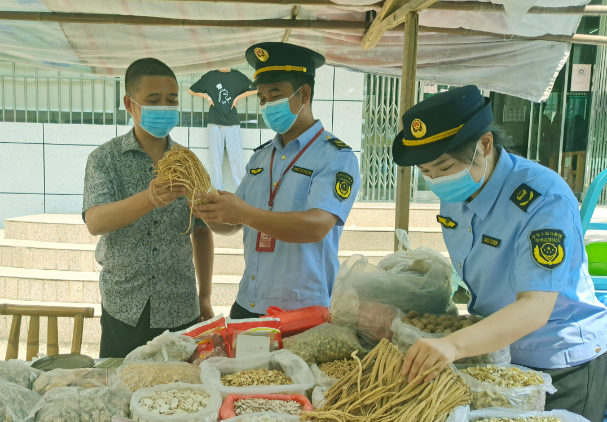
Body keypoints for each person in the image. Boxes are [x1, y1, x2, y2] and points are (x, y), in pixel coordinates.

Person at [391, 85, 607, 422]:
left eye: (444, 167)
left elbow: (535, 306)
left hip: (559, 360)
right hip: (493, 353)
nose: (437, 182)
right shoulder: (459, 188)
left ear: (485, 144)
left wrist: (453, 345)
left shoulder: (542, 199)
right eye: (426, 172)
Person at [193, 42, 361, 320]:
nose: (267, 104)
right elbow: (232, 223)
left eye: (275, 94)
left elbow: (317, 227)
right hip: (248, 305)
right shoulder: (261, 157)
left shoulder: (335, 157)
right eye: (261, 98)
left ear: (304, 93)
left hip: (303, 310)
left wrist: (243, 212)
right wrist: (204, 208)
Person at [82, 58, 214, 358]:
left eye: (172, 101)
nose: (164, 108)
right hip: (125, 305)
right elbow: (95, 221)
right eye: (154, 100)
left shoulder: (188, 161)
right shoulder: (105, 159)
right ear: (130, 104)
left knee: (180, 394)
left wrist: (204, 296)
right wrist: (149, 198)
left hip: (180, 304)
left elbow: (202, 232)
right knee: (121, 387)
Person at [189, 68, 257, 191]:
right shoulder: (210, 76)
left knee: (236, 159)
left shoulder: (237, 76)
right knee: (215, 160)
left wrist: (237, 98)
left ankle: (240, 193)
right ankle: (217, 193)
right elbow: (191, 90)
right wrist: (208, 98)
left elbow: (256, 88)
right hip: (214, 122)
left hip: (232, 122)